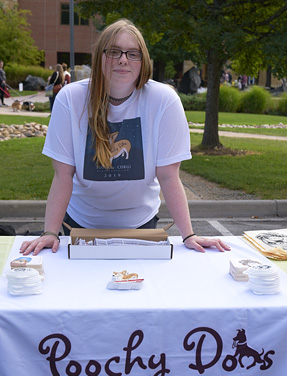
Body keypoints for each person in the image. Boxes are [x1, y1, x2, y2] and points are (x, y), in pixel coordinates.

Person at [20, 19, 230, 256]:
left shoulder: (164, 101)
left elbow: (169, 177)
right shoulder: (70, 99)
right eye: (114, 51)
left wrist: (189, 235)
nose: (123, 59)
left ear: (143, 61)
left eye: (133, 53)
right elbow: (62, 175)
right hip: (80, 224)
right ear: (100, 56)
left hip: (141, 224)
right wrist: (50, 232)